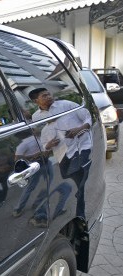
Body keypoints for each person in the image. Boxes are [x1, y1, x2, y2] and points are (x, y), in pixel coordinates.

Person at [29, 87, 92, 219]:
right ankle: (79, 192)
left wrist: (80, 128)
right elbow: (42, 141)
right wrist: (48, 145)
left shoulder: (66, 105)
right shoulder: (37, 118)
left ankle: (80, 212)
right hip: (61, 153)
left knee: (80, 175)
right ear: (36, 101)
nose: (49, 96)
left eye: (49, 94)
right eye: (44, 96)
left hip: (80, 146)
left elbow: (87, 116)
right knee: (66, 174)